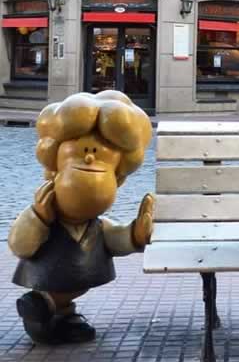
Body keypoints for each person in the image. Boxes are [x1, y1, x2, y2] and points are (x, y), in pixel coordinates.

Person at [8, 91, 154, 345]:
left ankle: (57, 309)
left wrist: (134, 235)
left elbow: (112, 239)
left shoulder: (96, 226)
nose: (89, 155)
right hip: (45, 272)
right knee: (49, 304)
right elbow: (20, 244)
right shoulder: (46, 214)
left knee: (66, 296)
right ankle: (42, 308)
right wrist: (38, 217)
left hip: (77, 275)